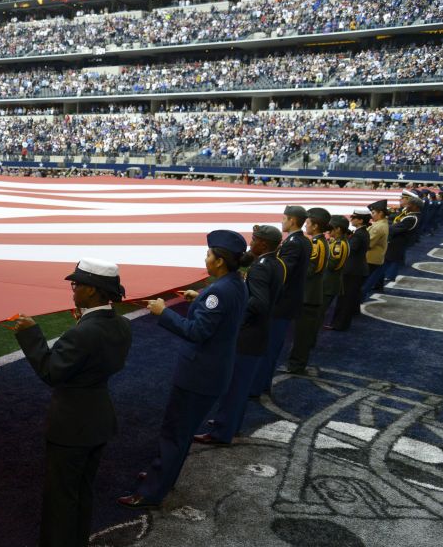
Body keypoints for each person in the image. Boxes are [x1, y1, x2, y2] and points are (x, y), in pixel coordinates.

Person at [7, 259, 132, 547]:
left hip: (71, 425)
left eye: (77, 285)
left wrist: (31, 334)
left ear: (92, 290)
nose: (73, 289)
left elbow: (52, 371)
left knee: (61, 496)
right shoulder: (120, 325)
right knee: (82, 491)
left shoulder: (84, 333)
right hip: (98, 418)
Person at [119, 230, 248, 509]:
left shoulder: (219, 291)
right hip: (213, 372)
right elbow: (219, 310)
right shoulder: (234, 284)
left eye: (209, 254)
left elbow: (197, 331)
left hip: (197, 375)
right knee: (183, 432)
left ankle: (152, 490)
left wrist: (163, 312)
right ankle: (164, 477)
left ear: (220, 261)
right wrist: (198, 297)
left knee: (174, 432)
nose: (206, 258)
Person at [197, 225, 284, 444]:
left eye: (254, 239)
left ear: (263, 243)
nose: (251, 242)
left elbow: (259, 302)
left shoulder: (260, 267)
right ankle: (230, 424)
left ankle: (221, 432)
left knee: (234, 386)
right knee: (240, 386)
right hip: (259, 334)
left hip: (248, 336)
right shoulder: (276, 262)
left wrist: (238, 317)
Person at [251, 206, 309, 396]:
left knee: (268, 347)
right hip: (289, 301)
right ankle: (263, 383)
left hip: (281, 303)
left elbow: (283, 271)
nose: (282, 221)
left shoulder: (292, 243)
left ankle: (257, 387)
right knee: (272, 347)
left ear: (292, 220)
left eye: (284, 218)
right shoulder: (303, 240)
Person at [284, 208, 330, 374]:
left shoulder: (317, 244)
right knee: (303, 334)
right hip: (310, 294)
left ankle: (296, 365)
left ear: (316, 226)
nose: (305, 226)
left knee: (302, 335)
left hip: (309, 296)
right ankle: (296, 363)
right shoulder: (317, 242)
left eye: (308, 223)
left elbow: (311, 271)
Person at [331, 209, 371, 330]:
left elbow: (349, 249)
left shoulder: (359, 235)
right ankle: (343, 320)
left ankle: (341, 324)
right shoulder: (361, 232)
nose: (351, 219)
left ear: (360, 220)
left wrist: (340, 241)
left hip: (353, 271)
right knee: (350, 297)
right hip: (356, 269)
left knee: (346, 299)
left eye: (354, 217)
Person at [381, 191, 422, 286]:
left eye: (403, 198)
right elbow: (396, 220)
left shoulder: (412, 216)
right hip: (396, 238)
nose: (400, 200)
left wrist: (385, 226)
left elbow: (398, 226)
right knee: (392, 257)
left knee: (393, 258)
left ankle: (390, 276)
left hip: (399, 239)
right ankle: (388, 275)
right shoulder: (407, 212)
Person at [359, 199, 391, 297]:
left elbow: (368, 244)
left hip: (370, 258)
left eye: (373, 213)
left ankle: (358, 300)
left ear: (380, 213)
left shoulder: (378, 227)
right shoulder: (382, 224)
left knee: (362, 283)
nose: (371, 215)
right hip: (374, 257)